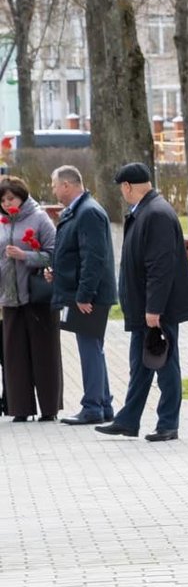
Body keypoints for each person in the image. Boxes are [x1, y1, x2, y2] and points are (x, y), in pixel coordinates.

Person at [96, 163, 188, 443]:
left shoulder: (156, 214)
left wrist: (154, 310)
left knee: (165, 365)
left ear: (128, 186)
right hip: (144, 308)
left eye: (122, 188)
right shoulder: (147, 211)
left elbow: (160, 266)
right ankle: (128, 421)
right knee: (140, 365)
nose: (122, 193)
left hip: (156, 310)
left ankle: (168, 424)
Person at [49, 165, 117, 425]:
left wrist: (84, 294)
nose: (53, 190)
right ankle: (103, 403)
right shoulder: (80, 210)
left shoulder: (87, 212)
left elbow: (94, 257)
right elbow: (76, 253)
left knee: (90, 348)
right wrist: (57, 272)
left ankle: (92, 407)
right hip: (84, 291)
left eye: (55, 185)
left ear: (67, 185)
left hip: (89, 295)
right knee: (93, 347)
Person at [0, 176, 62, 422]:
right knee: (14, 355)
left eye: (11, 198)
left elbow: (53, 254)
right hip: (10, 298)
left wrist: (25, 256)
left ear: (22, 197)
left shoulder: (39, 218)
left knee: (44, 352)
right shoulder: (2, 222)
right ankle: (20, 408)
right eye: (3, 200)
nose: (7, 203)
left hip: (37, 296)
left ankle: (49, 408)